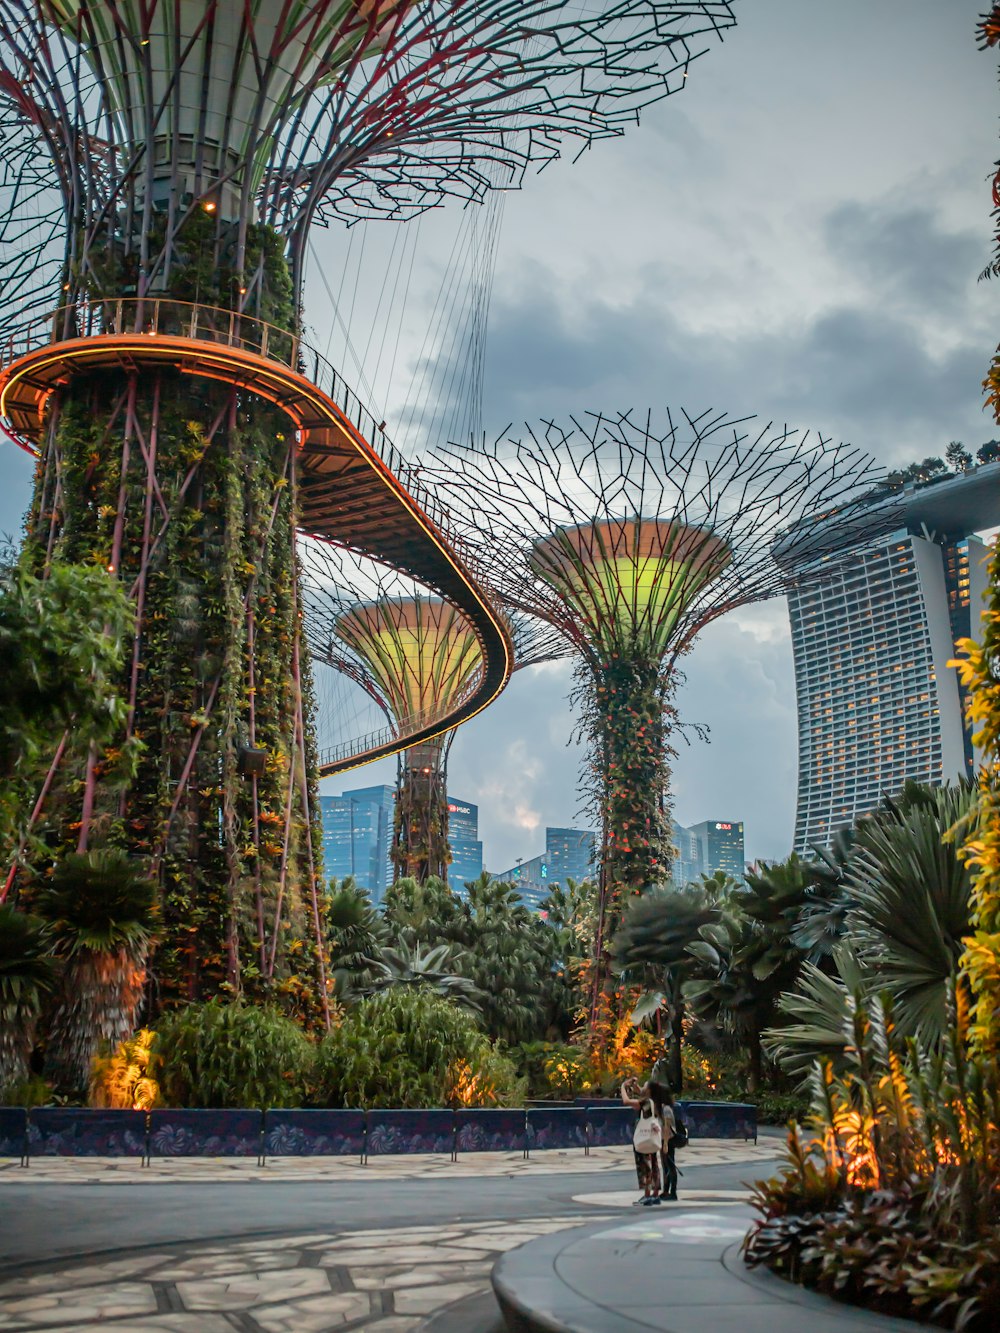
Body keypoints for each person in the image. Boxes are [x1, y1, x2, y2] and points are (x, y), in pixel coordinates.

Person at [621, 1075, 664, 1205]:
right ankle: (655, 1193)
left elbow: (627, 1101)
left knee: (645, 1165)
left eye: (644, 1086)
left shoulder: (645, 1103)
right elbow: (641, 1094)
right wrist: (634, 1086)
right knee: (654, 1164)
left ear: (649, 1091)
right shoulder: (655, 1101)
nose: (642, 1087)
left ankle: (647, 1194)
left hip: (644, 1137)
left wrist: (623, 1086)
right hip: (653, 1138)